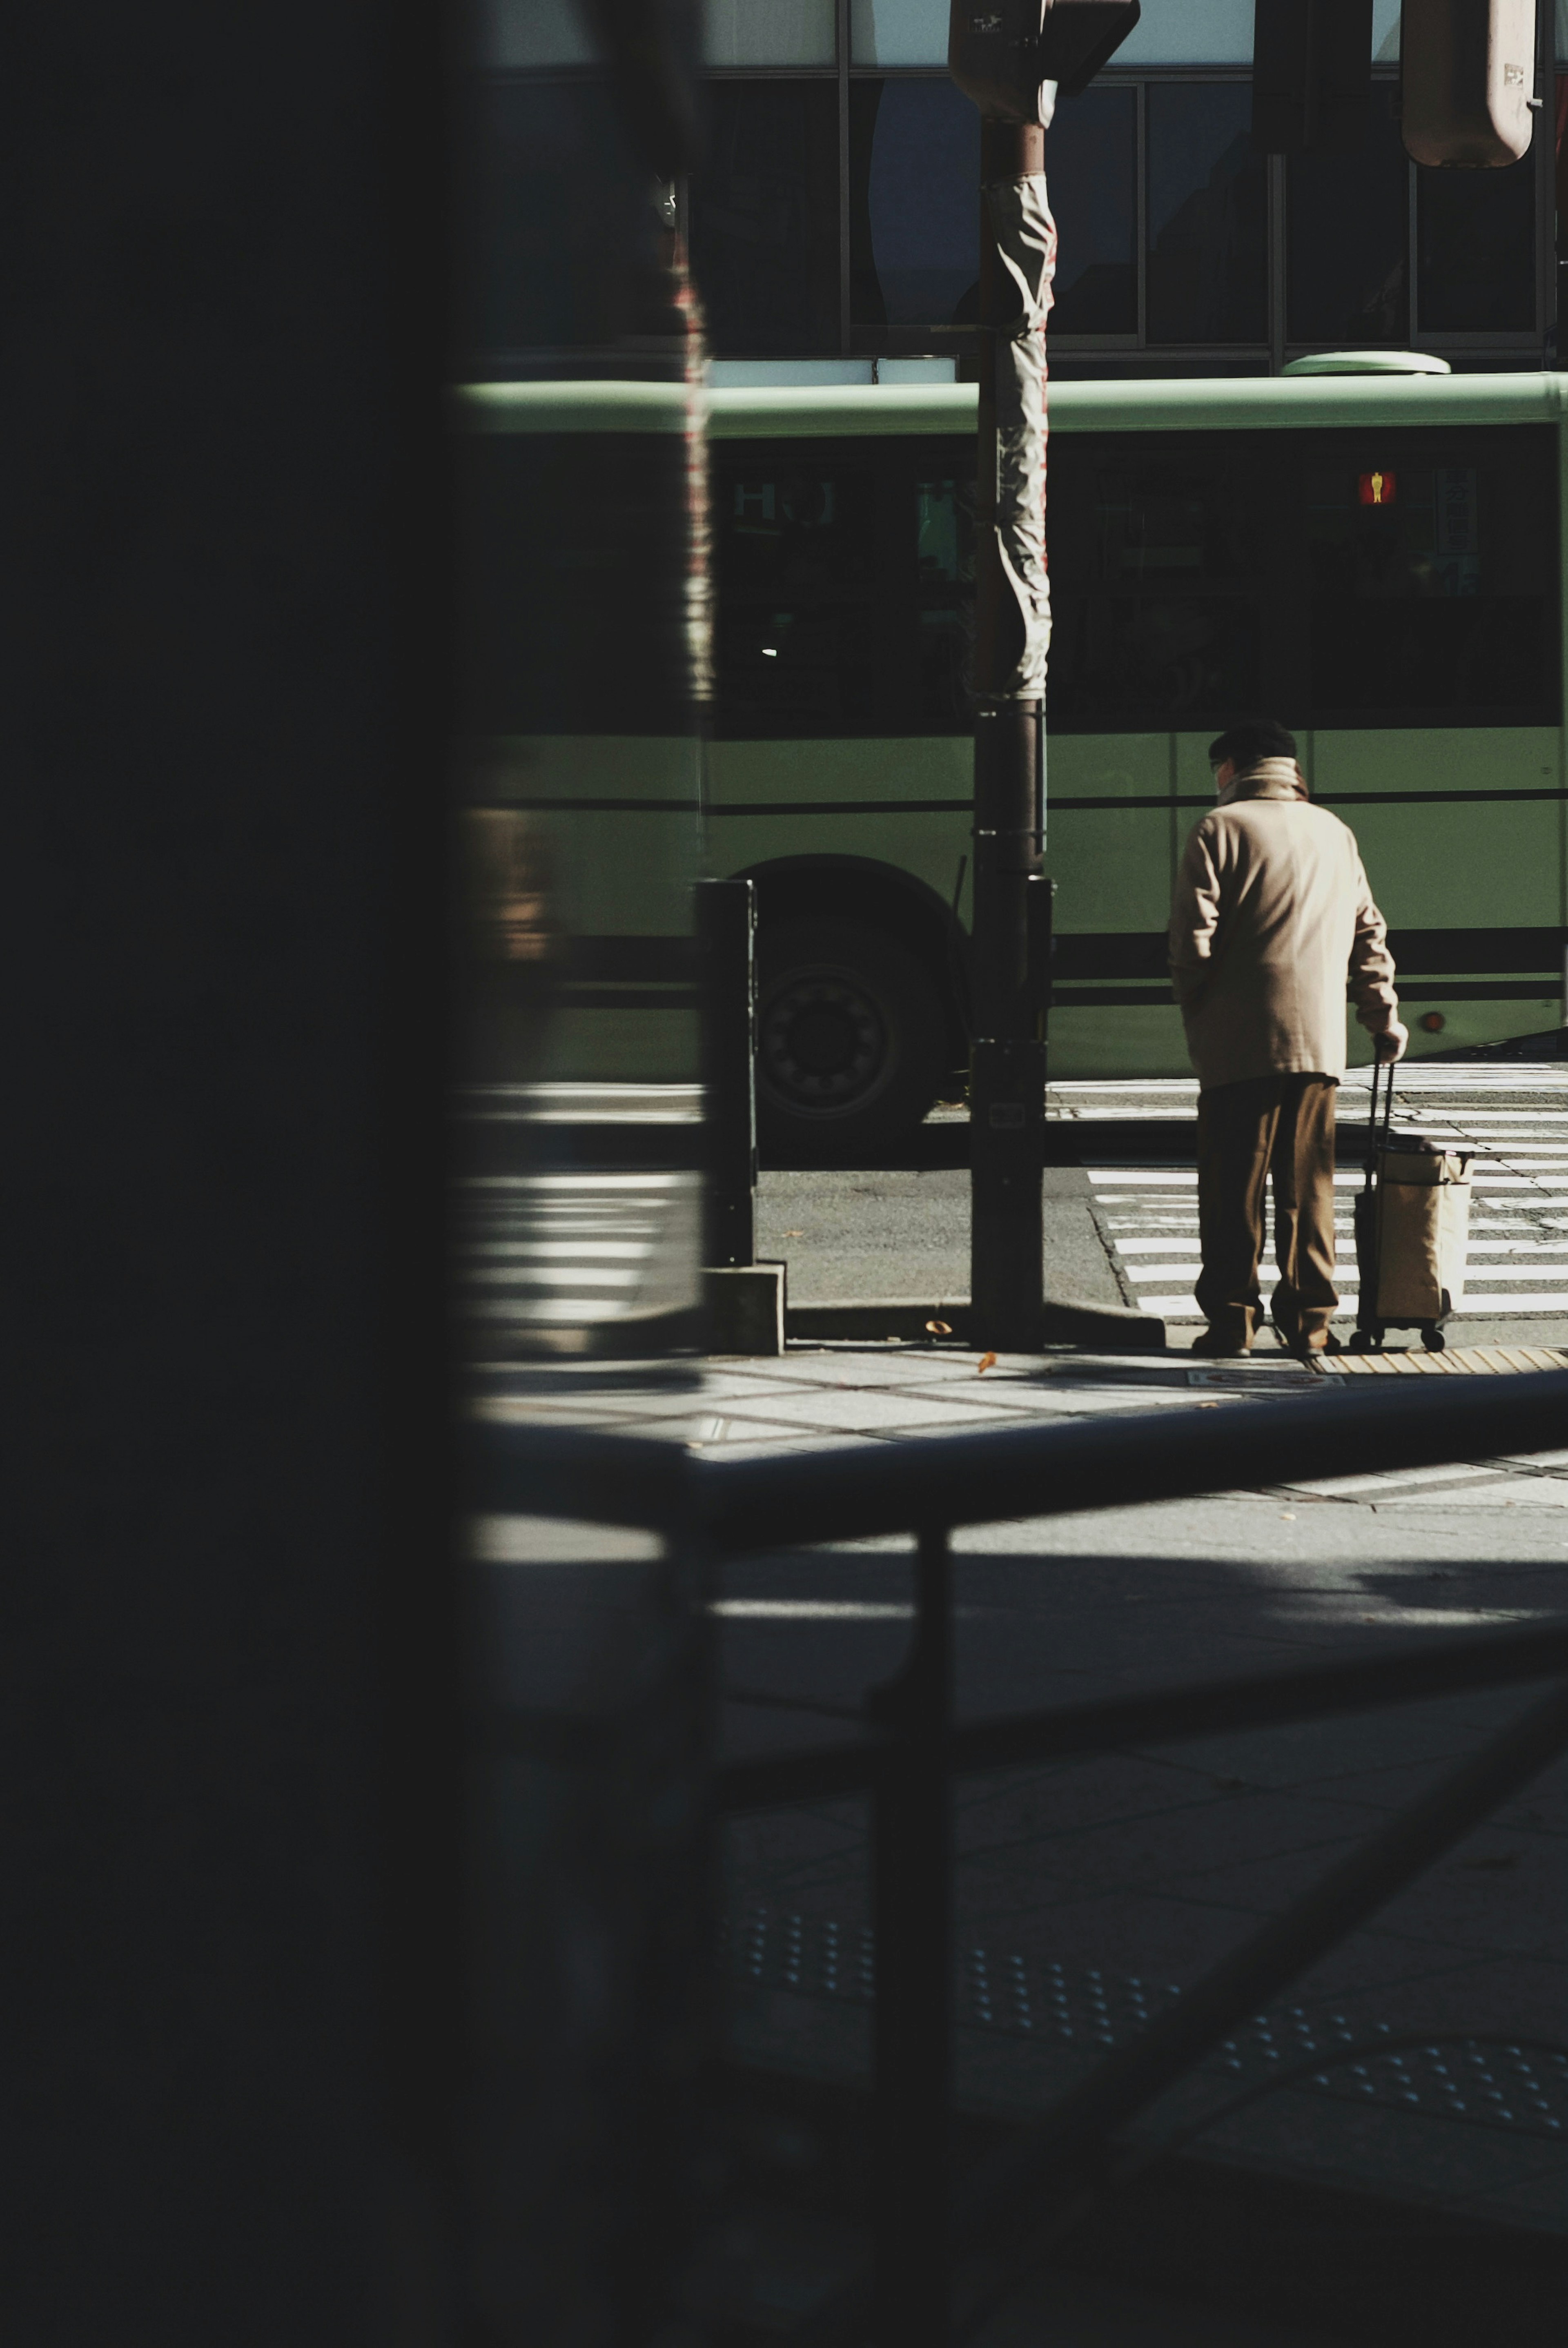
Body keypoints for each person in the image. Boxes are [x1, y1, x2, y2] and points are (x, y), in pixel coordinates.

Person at [1167, 717, 1408, 1358]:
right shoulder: (1335, 832)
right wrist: (1382, 1017)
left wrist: (1199, 1008)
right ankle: (1309, 1326)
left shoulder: (1218, 829)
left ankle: (1232, 1324)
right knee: (1307, 1192)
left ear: (1233, 767)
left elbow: (1193, 939)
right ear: (1289, 770)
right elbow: (1369, 933)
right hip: (1319, 1046)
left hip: (1238, 1045)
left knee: (1233, 1193)